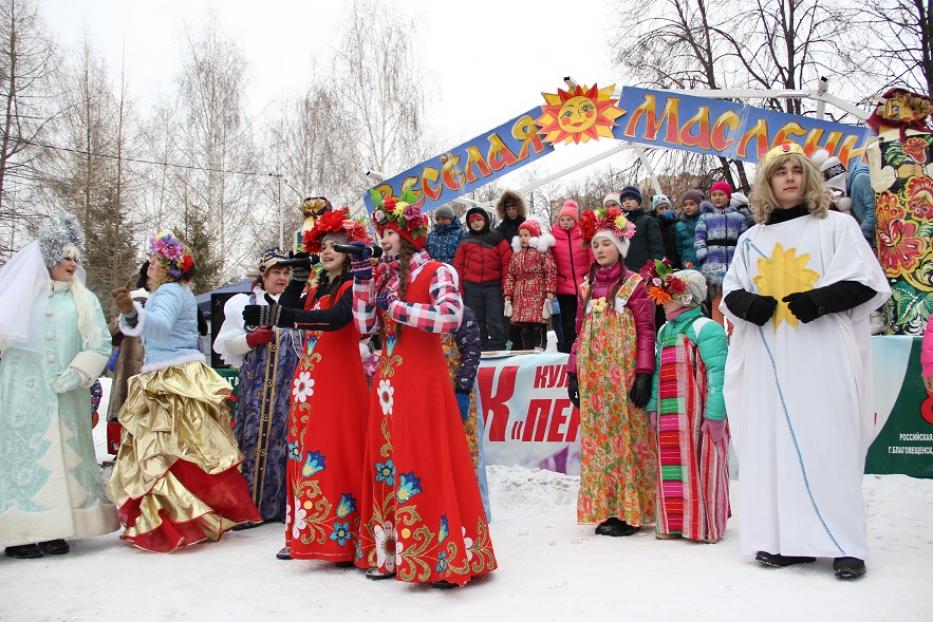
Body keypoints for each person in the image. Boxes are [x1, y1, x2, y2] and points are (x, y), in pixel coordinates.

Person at [721, 142, 890, 580]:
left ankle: (843, 544)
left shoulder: (837, 226)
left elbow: (867, 281)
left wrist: (818, 300)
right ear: (768, 183)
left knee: (828, 441)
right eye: (781, 172)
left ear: (809, 178)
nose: (790, 178)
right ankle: (787, 541)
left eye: (798, 170)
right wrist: (750, 305)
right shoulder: (751, 240)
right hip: (768, 360)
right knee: (773, 447)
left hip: (821, 354)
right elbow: (730, 292)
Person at [354, 194, 497, 588]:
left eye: (389, 233)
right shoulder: (383, 276)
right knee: (389, 462)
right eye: (380, 233)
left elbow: (450, 318)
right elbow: (364, 325)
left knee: (424, 461)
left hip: (423, 377)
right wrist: (363, 278)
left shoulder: (439, 270)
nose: (383, 240)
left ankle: (437, 555)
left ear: (408, 234)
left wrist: (398, 309)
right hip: (387, 380)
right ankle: (391, 553)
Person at [108, 231, 260, 551]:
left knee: (164, 451)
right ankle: (196, 514)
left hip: (169, 378)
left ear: (168, 267)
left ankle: (171, 519)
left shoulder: (167, 293)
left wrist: (133, 313)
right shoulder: (177, 291)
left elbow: (160, 327)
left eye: (155, 261)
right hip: (175, 372)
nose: (149, 265)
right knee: (187, 449)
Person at [246, 207, 371, 563]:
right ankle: (306, 533)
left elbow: (333, 320)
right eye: (323, 246)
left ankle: (342, 539)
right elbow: (288, 308)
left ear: (350, 250)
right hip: (309, 383)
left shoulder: (354, 284)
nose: (327, 251)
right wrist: (299, 280)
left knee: (335, 453)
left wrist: (288, 317)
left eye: (335, 245)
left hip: (340, 384)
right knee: (303, 454)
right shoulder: (317, 286)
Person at [0, 214, 118, 559]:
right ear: (48, 258)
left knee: (67, 454)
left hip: (66, 395)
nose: (72, 263)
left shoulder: (84, 300)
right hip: (21, 395)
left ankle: (60, 527)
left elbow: (98, 344)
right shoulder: (21, 297)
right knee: (25, 457)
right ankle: (22, 530)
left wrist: (78, 373)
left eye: (75, 258)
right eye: (65, 257)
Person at [567, 203, 657, 537]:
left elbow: (647, 330)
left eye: (607, 243)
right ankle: (606, 508)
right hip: (593, 378)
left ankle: (629, 512)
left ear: (619, 248)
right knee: (599, 442)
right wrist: (572, 372)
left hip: (624, 374)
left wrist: (645, 372)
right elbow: (578, 333)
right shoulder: (585, 289)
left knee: (625, 439)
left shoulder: (635, 284)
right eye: (595, 244)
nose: (600, 249)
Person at [213, 247, 302, 524]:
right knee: (252, 442)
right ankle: (250, 507)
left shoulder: (298, 303)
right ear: (263, 275)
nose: (282, 277)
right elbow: (226, 344)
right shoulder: (244, 303)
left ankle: (284, 507)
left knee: (286, 445)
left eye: (286, 272)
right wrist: (249, 341)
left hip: (289, 391)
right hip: (256, 391)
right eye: (276, 271)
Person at [643, 262, 730, 543]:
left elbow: (719, 375)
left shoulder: (707, 328)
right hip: (671, 415)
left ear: (687, 297)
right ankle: (673, 522)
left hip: (698, 415)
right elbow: (657, 371)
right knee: (671, 467)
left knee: (702, 466)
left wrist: (715, 415)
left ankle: (703, 525)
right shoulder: (664, 330)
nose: (663, 302)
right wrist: (654, 407)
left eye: (669, 296)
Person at [441, 306, 491, 520]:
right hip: (432, 393)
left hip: (460, 390)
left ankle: (477, 512)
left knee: (468, 450)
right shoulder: (421, 314)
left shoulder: (460, 313)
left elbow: (472, 352)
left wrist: (462, 388)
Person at [106, 261, 150, 455]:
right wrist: (128, 312)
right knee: (127, 422)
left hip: (155, 376)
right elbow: (110, 334)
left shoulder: (168, 302)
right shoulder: (132, 298)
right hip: (128, 375)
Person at [453, 207, 511, 351]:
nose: (476, 223)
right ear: (468, 224)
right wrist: (459, 289)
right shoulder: (465, 241)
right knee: (475, 319)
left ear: (485, 220)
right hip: (471, 286)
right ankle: (479, 347)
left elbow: (507, 263)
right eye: (472, 221)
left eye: (479, 220)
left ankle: (498, 346)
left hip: (494, 286)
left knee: (495, 318)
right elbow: (458, 267)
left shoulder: (497, 238)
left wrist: (506, 286)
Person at [695, 181, 748, 323]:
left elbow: (744, 239)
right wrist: (702, 252)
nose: (717, 197)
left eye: (721, 194)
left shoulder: (738, 217)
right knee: (716, 302)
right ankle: (718, 333)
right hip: (713, 265)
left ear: (728, 197)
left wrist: (742, 256)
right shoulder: (705, 217)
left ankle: (734, 334)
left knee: (732, 300)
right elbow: (699, 236)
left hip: (732, 264)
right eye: (714, 195)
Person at [504, 216, 557, 350]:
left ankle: (539, 348)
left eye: (526, 235)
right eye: (521, 235)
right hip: (520, 294)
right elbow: (510, 275)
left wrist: (550, 291)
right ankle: (526, 350)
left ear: (534, 236)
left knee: (537, 325)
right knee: (524, 327)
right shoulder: (516, 255)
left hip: (537, 292)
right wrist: (508, 294)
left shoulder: (542, 252)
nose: (522, 238)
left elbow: (550, 271)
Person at [551, 199, 593, 353]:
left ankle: (585, 344)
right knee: (567, 319)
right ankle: (569, 347)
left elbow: (591, 256)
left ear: (575, 220)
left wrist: (590, 274)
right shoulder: (553, 237)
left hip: (583, 283)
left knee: (584, 316)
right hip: (563, 286)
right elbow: (550, 259)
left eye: (569, 219)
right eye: (562, 220)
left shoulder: (583, 234)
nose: (565, 222)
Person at [616, 186, 664, 272]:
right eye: (623, 200)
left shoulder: (648, 220)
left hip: (644, 269)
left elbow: (657, 247)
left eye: (630, 199)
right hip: (625, 270)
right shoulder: (620, 222)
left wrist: (655, 267)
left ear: (638, 201)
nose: (627, 202)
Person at [649, 194, 682, 269]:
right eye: (661, 208)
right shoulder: (652, 223)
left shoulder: (675, 222)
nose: (665, 211)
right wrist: (662, 219)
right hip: (662, 263)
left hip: (676, 262)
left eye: (667, 208)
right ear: (655, 211)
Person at [675, 190, 703, 269]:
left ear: (699, 205)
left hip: (703, 261)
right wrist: (683, 258)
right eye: (685, 205)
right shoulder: (679, 225)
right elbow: (679, 247)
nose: (688, 207)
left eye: (691, 204)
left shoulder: (704, 221)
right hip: (687, 262)